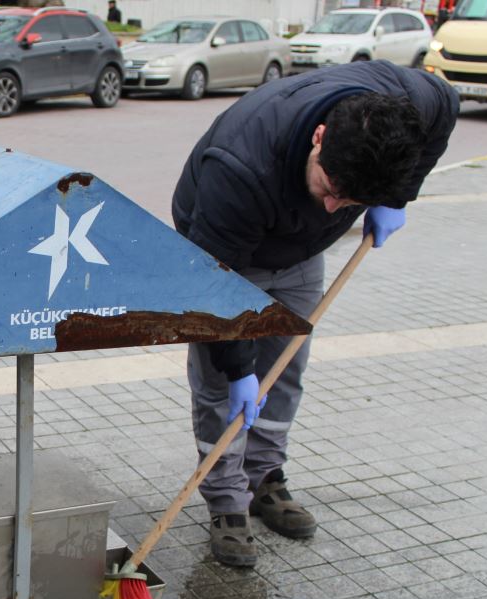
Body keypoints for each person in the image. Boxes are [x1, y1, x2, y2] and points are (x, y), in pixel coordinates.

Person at [171, 60, 458, 568]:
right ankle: (226, 502)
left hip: (298, 255)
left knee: (285, 370)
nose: (334, 208)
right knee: (224, 386)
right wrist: (238, 368)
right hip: (224, 257)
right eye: (330, 188)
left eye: (350, 200)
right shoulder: (240, 165)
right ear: (319, 137)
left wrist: (397, 196)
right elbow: (214, 291)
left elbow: (447, 108)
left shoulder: (408, 100)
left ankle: (265, 479)